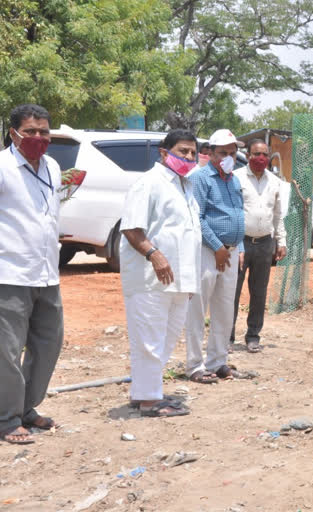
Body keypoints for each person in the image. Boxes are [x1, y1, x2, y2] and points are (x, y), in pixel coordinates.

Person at [120, 129, 201, 417]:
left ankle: (145, 391)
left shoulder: (185, 185)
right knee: (149, 340)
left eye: (193, 152)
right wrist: (153, 255)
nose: (189, 157)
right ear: (165, 153)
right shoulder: (149, 183)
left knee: (165, 339)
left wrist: (190, 280)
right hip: (150, 278)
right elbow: (131, 227)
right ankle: (149, 401)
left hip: (179, 280)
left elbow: (186, 234)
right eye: (182, 151)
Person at [0, 104, 64, 444]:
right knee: (7, 351)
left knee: (48, 343)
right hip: (9, 273)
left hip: (46, 273)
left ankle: (26, 408)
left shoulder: (52, 166)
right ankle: (6, 419)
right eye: (31, 132)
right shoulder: (3, 167)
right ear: (13, 134)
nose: (38, 138)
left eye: (43, 131)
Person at [185, 129, 246, 382]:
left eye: (232, 152)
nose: (228, 157)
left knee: (224, 310)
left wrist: (238, 247)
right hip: (208, 252)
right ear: (210, 153)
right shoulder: (201, 178)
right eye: (223, 153)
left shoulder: (233, 180)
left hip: (230, 253)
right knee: (198, 309)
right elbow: (197, 217)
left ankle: (218, 360)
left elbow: (237, 215)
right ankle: (195, 365)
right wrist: (217, 247)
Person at [231, 139, 287, 352]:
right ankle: (227, 337)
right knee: (232, 291)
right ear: (247, 155)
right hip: (240, 244)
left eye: (264, 154)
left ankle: (253, 335)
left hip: (265, 244)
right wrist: (235, 245)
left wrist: (281, 241)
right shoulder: (236, 179)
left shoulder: (275, 181)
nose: (260, 158)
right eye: (256, 154)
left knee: (259, 292)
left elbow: (278, 214)